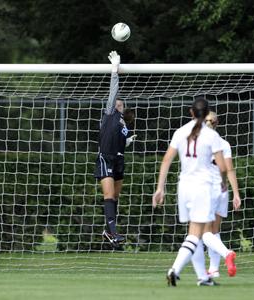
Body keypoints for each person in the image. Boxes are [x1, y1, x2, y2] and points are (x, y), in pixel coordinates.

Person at [152, 98, 237, 287]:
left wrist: (160, 188)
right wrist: (223, 184)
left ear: (191, 112)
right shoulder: (211, 136)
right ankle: (174, 270)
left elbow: (166, 160)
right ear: (206, 112)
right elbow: (223, 166)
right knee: (196, 233)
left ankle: (203, 277)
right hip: (202, 187)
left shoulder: (180, 132)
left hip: (184, 188)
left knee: (194, 233)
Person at [94, 51, 137, 248]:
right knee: (109, 196)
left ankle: (108, 231)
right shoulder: (109, 113)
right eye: (116, 102)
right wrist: (115, 70)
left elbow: (118, 138)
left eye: (121, 103)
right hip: (106, 158)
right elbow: (113, 91)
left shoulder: (122, 122)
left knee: (115, 197)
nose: (118, 104)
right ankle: (113, 233)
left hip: (119, 159)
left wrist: (126, 142)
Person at [202, 111, 241, 278]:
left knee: (202, 232)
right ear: (217, 123)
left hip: (206, 188)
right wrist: (236, 194)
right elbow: (230, 170)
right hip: (222, 190)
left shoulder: (199, 143)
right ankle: (214, 269)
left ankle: (227, 254)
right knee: (214, 230)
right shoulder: (224, 143)